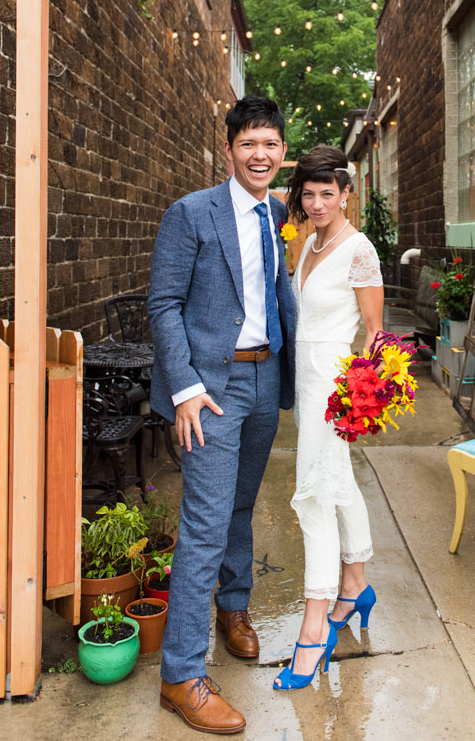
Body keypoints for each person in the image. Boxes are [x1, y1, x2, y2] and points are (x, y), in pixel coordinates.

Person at [148, 94, 296, 734]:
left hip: (266, 376)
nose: (259, 155)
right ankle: (181, 675)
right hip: (210, 387)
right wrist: (183, 388)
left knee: (240, 503)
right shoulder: (190, 214)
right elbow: (163, 305)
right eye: (248, 144)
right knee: (205, 521)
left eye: (270, 144)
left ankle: (233, 609)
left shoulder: (279, 213)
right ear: (228, 149)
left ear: (281, 153)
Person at [273, 144, 383, 690]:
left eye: (327, 194)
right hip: (306, 378)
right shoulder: (310, 241)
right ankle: (356, 583)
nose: (317, 203)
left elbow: (374, 330)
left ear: (346, 193)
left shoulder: (358, 249)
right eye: (309, 194)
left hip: (334, 386)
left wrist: (365, 396)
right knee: (336, 484)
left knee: (312, 494)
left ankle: (315, 625)